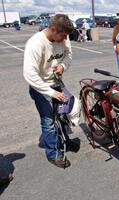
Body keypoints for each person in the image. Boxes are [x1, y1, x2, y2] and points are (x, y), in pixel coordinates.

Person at [23, 14, 79, 168]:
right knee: (48, 122)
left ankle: (65, 141)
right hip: (40, 87)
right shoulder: (36, 43)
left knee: (63, 115)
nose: (65, 39)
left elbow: (68, 55)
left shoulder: (63, 36)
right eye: (62, 35)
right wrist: (50, 92)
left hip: (56, 82)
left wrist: (63, 66)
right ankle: (53, 154)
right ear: (53, 29)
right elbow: (29, 74)